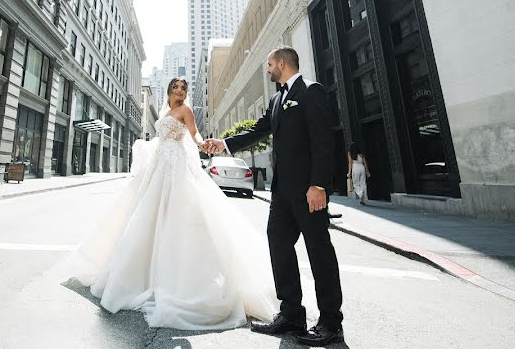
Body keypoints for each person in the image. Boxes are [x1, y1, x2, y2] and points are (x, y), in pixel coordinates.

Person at [67, 77, 278, 330]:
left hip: (175, 165)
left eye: (183, 88)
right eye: (176, 88)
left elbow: (194, 134)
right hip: (159, 165)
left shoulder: (185, 110)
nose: (180, 91)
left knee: (177, 215)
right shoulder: (167, 111)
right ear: (169, 91)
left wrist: (203, 144)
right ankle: (143, 277)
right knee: (148, 217)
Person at [206, 46, 344, 346]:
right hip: (281, 192)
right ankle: (292, 314)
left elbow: (324, 140)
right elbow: (259, 129)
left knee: (319, 253)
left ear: (281, 63)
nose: (267, 70)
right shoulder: (277, 98)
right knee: (278, 245)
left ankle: (331, 323)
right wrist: (224, 144)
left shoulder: (311, 91)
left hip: (309, 191)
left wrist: (319, 184)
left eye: (269, 64)